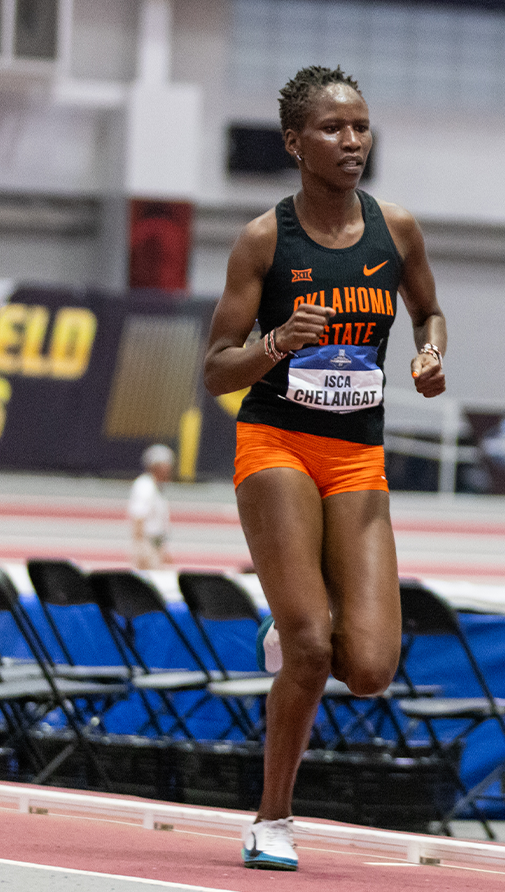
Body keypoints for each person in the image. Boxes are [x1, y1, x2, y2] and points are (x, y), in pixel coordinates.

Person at [202, 65, 448, 872]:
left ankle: (298, 607)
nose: (352, 142)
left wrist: (431, 352)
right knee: (311, 648)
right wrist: (277, 344)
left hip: (357, 453)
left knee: (371, 668)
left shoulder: (397, 229)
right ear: (294, 143)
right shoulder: (266, 239)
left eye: (361, 128)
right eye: (334, 130)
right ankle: (272, 819)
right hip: (276, 443)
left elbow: (429, 310)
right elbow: (215, 370)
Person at [127, 443, 175, 569]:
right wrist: (141, 549)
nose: (169, 470)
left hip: (156, 545)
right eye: (166, 466)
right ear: (156, 466)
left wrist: (164, 548)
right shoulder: (145, 487)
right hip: (147, 545)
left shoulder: (158, 487)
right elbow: (138, 517)